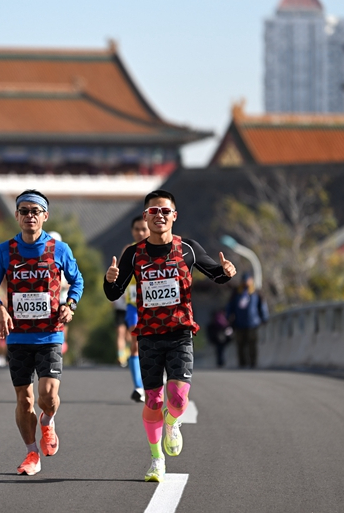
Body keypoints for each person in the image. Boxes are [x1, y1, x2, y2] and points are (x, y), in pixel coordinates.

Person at [103, 189, 236, 482]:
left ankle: (173, 422)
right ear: (146, 216)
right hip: (148, 336)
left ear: (174, 216)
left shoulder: (187, 249)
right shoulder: (134, 254)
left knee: (176, 397)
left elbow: (215, 273)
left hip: (180, 333)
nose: (159, 216)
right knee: (152, 402)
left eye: (165, 211)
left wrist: (226, 271)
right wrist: (110, 280)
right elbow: (113, 292)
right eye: (153, 211)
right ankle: (156, 459)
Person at [0, 189, 84, 476]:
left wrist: (71, 304)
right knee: (24, 399)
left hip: (50, 333)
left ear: (45, 216)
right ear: (16, 216)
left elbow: (77, 281)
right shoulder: (5, 251)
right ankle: (31, 453)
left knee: (48, 394)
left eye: (35, 211)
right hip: (18, 335)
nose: (30, 216)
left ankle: (48, 419)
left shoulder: (58, 250)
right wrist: (0, 309)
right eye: (24, 211)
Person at [120, 215, 150, 403]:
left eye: (143, 229)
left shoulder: (158, 250)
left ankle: (153, 381)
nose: (140, 233)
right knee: (136, 343)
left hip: (154, 306)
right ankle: (139, 386)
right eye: (137, 229)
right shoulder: (129, 251)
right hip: (133, 305)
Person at [225, 272, 268, 368]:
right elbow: (230, 307)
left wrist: (264, 317)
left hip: (253, 323)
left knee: (252, 344)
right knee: (240, 345)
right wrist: (228, 318)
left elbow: (262, 306)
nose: (246, 283)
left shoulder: (256, 293)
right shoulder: (236, 293)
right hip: (239, 323)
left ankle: (253, 363)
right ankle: (242, 364)